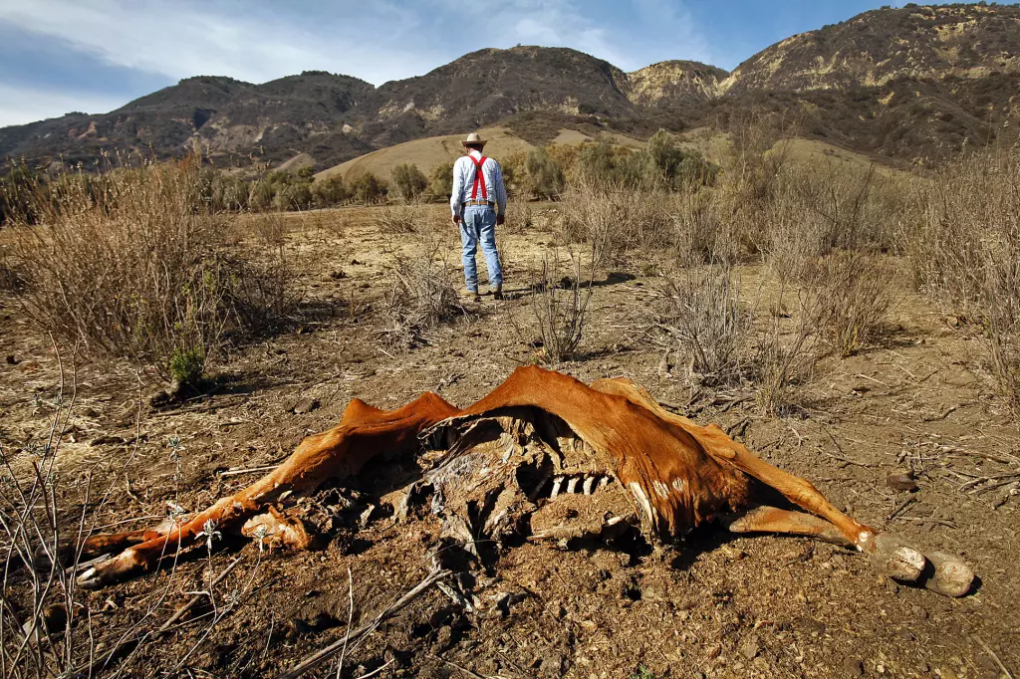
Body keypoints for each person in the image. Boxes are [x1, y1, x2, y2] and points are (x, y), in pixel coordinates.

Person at [450, 132, 506, 301]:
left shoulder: (461, 162)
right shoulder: (492, 163)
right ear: (481, 147)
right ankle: (496, 285)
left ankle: (472, 289)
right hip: (488, 209)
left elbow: (457, 190)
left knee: (468, 251)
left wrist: (455, 211)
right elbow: (500, 192)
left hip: (468, 209)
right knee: (489, 248)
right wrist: (501, 212)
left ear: (467, 148)